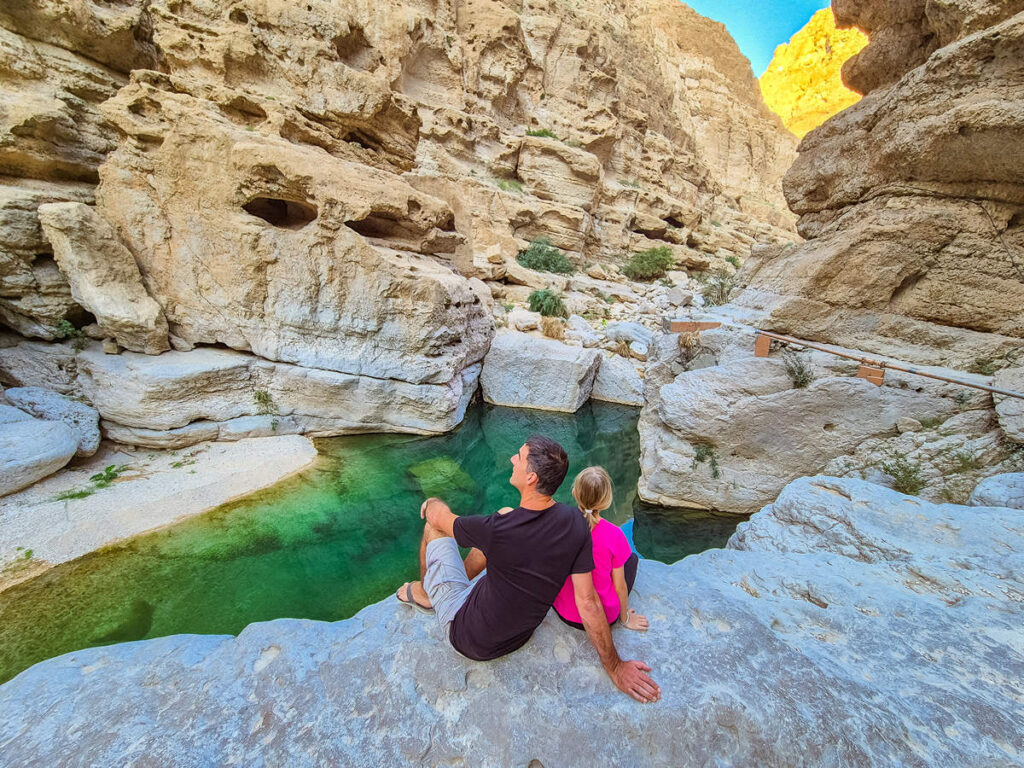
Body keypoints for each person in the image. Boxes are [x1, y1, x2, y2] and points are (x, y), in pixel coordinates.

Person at [396, 434, 661, 703]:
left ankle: (431, 596)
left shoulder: (497, 532)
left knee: (433, 529)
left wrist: (431, 502)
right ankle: (451, 586)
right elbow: (588, 602)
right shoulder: (575, 523)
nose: (512, 459)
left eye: (519, 457)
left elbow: (439, 518)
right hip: (517, 636)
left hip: (466, 635)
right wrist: (615, 667)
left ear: (532, 477)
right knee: (504, 511)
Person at [552, 466, 648, 632]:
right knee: (631, 560)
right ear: (606, 501)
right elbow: (620, 586)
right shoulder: (614, 535)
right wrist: (625, 617)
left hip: (565, 611)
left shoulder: (558, 525)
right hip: (603, 616)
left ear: (575, 492)